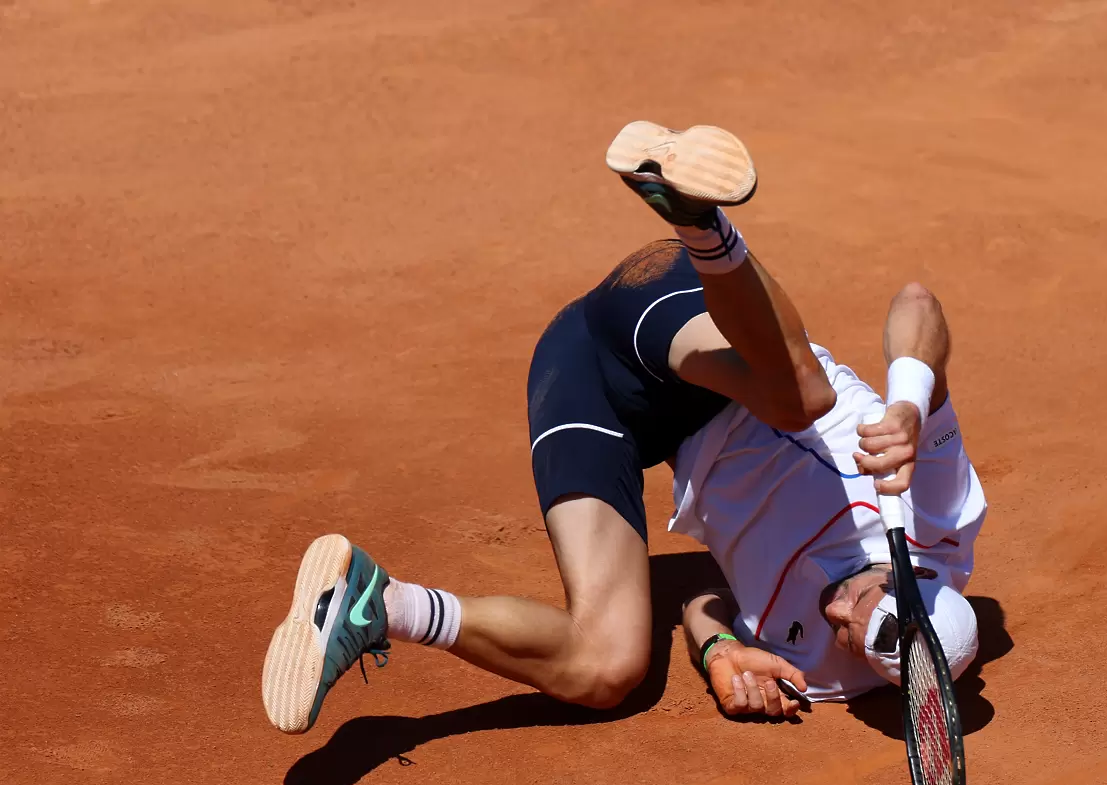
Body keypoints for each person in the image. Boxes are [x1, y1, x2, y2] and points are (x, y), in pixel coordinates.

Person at [261, 121, 987, 734]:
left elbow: (707, 602)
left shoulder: (836, 672)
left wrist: (719, 652)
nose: (834, 617)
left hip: (589, 383)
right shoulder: (939, 519)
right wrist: (909, 404)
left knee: (607, 667)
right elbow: (918, 304)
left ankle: (369, 604)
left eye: (846, 640)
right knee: (801, 398)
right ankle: (699, 216)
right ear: (911, 575)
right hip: (687, 326)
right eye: (860, 607)